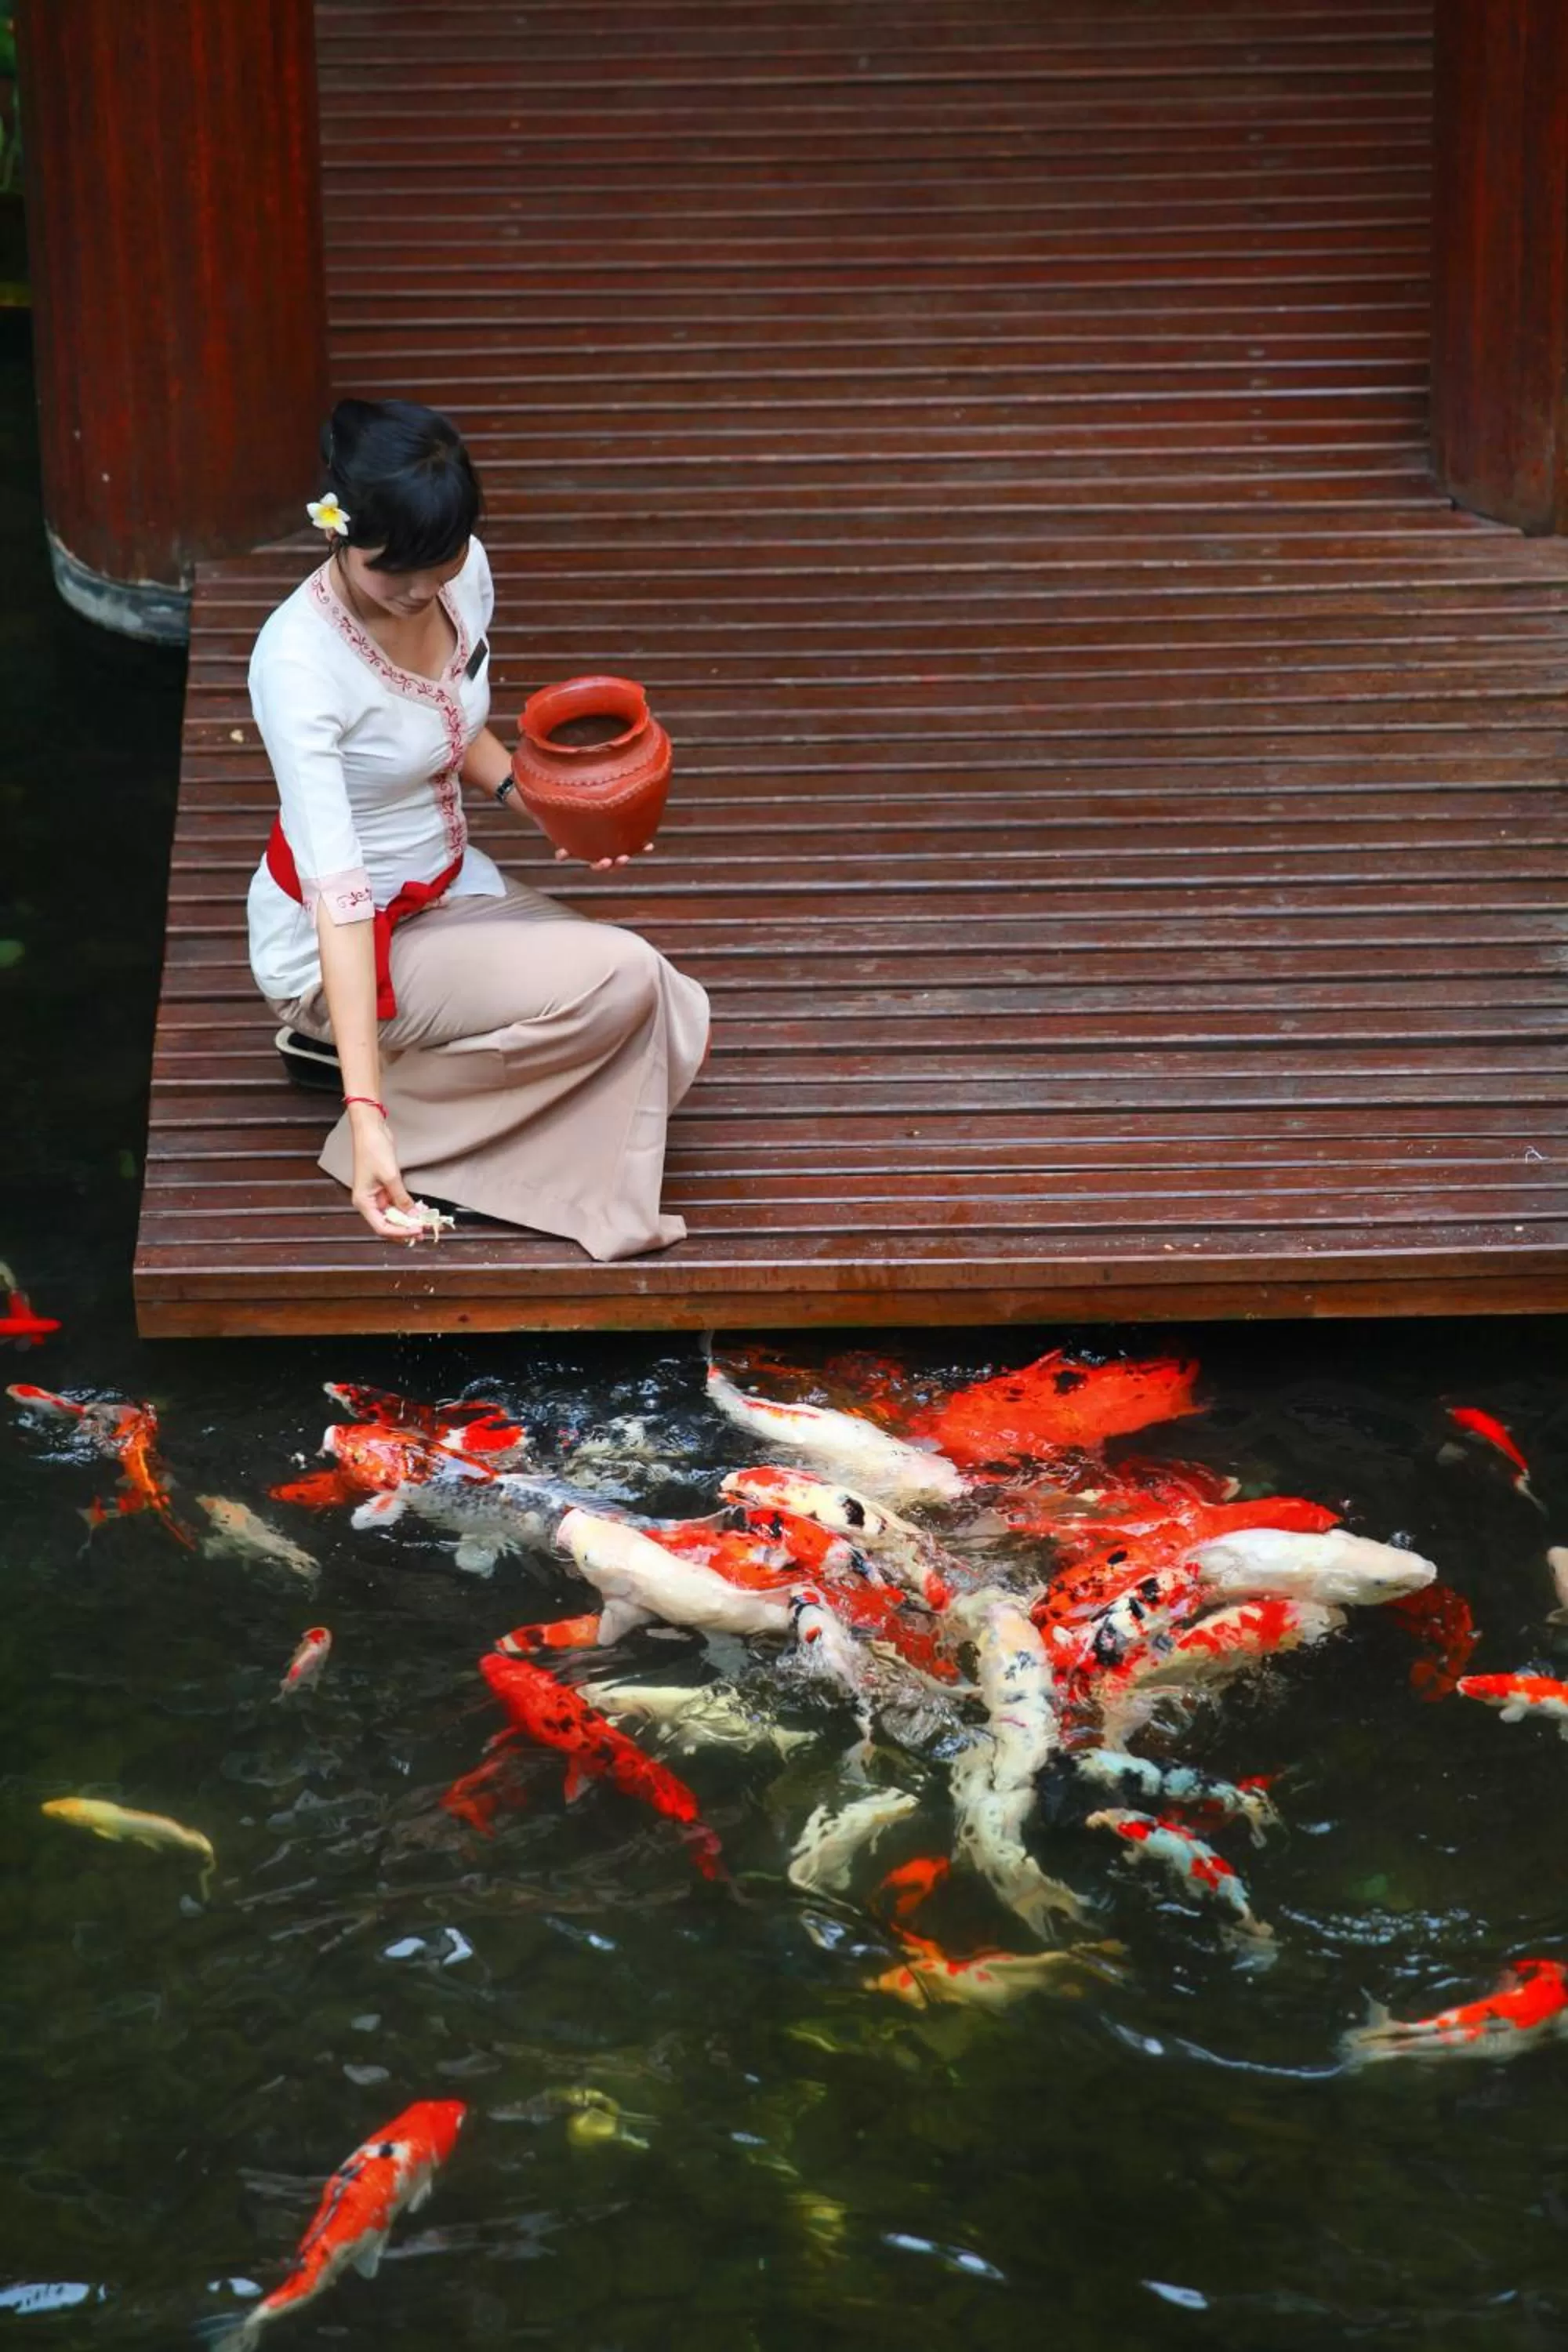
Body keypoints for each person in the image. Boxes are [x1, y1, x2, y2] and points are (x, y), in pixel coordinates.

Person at [245, 398, 709, 1261]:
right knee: (623, 978)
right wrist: (366, 1110)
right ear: (337, 534)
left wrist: (544, 809)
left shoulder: (463, 575)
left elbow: (451, 728)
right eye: (394, 574)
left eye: (439, 562)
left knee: (670, 1008)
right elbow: (337, 898)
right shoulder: (297, 665)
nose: (423, 591)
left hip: (452, 884)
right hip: (340, 940)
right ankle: (374, 1126)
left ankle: (387, 1072)